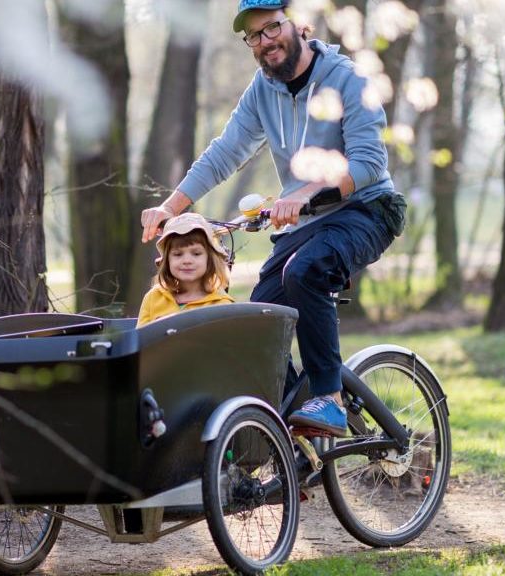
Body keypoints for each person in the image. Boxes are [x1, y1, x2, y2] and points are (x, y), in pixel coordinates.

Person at [139, 0, 407, 436]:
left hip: (367, 210)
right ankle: (287, 443)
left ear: (298, 26)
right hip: (307, 223)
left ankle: (330, 400)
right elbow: (225, 152)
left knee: (305, 271)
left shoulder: (348, 78)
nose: (265, 42)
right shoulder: (262, 89)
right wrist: (171, 208)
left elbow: (369, 164)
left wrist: (304, 192)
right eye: (253, 36)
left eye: (271, 28)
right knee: (259, 323)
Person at [137, 213, 235, 327]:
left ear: (209, 259)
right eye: (178, 254)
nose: (187, 260)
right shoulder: (154, 298)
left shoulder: (221, 304)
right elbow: (140, 341)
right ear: (167, 261)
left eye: (196, 254)